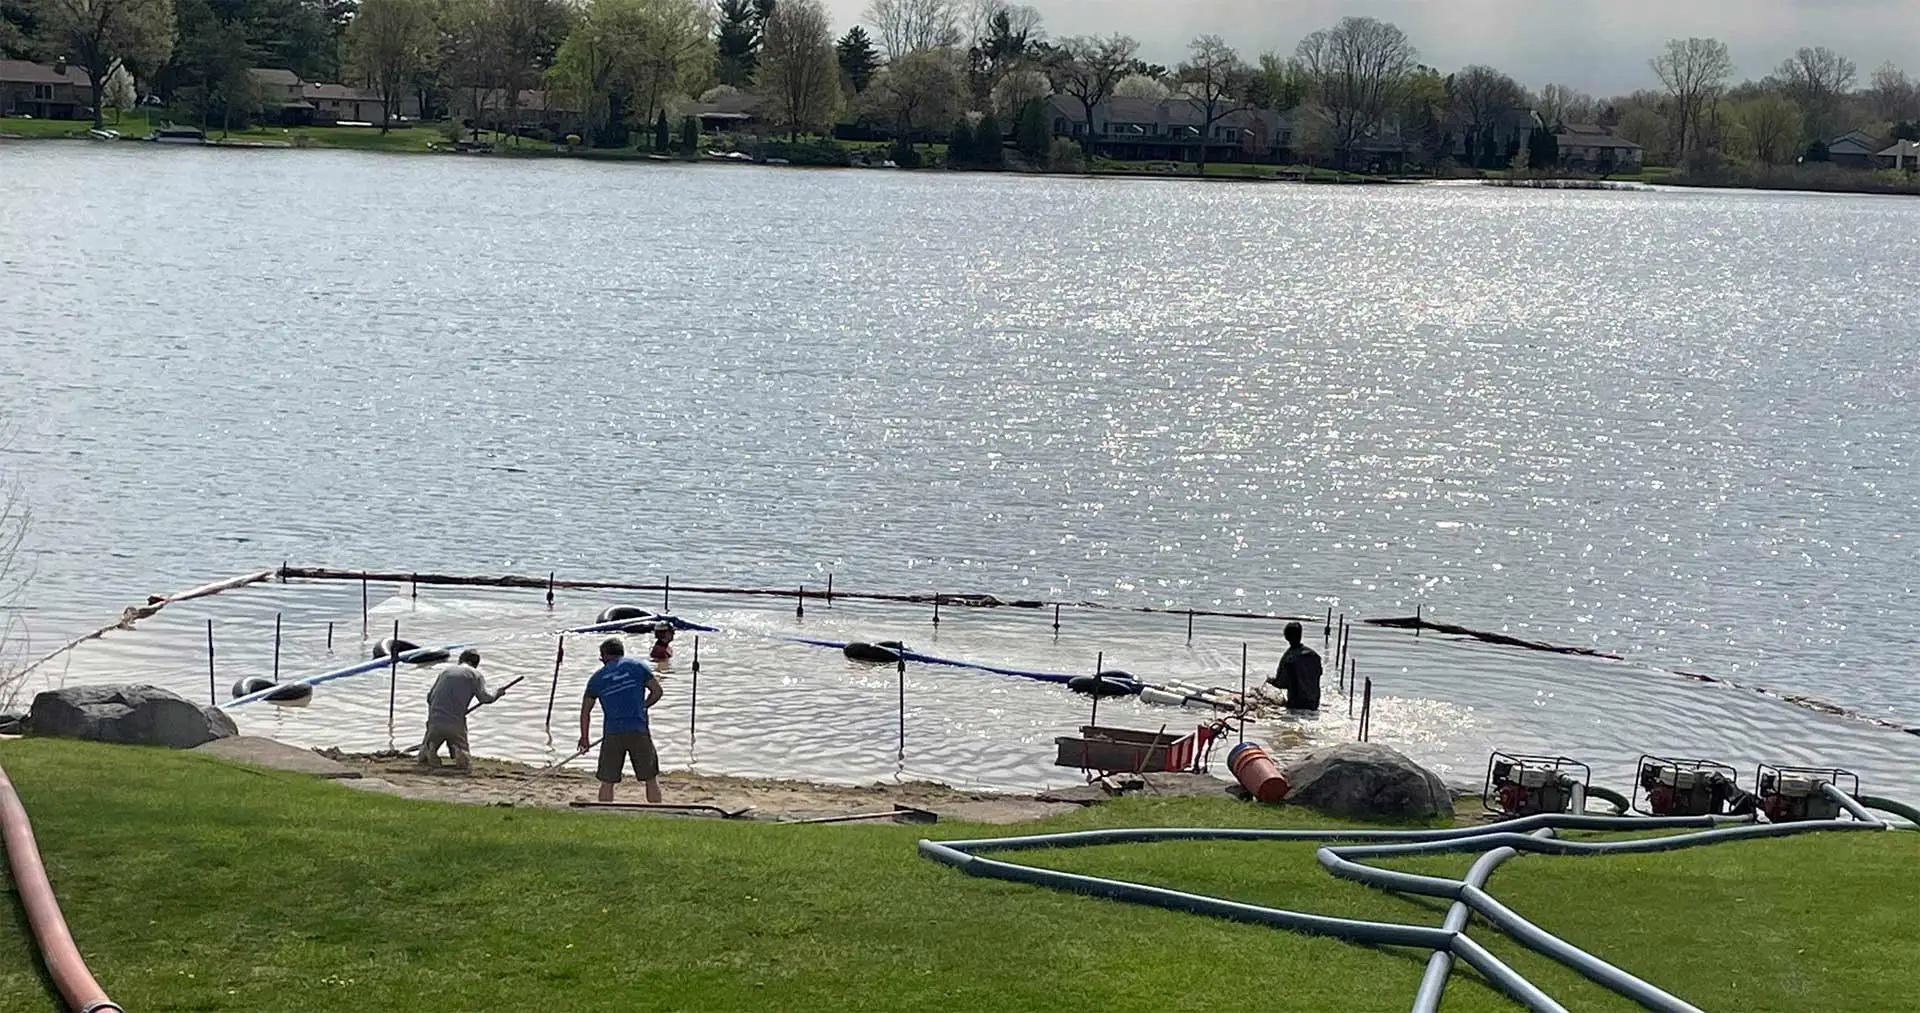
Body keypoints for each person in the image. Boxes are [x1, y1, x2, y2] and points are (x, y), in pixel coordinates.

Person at [580, 637, 665, 803]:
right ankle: (657, 809)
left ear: (604, 656)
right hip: (638, 729)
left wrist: (584, 737)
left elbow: (585, 711)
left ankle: (605, 811)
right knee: (650, 778)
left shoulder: (597, 678)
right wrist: (644, 706)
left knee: (607, 780)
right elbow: (657, 692)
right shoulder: (638, 667)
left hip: (612, 733)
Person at [419, 649, 500, 772]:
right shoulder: (476, 675)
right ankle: (458, 753)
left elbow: (429, 697)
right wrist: (497, 694)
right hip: (455, 722)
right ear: (476, 664)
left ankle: (430, 749)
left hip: (434, 720)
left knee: (427, 748)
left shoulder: (445, 672)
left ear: (460, 660)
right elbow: (485, 699)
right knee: (464, 761)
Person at [1267, 622, 1322, 711]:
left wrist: (1270, 681)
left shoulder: (1289, 658)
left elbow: (1281, 683)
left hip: (1296, 704)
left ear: (1286, 637)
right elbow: (1318, 674)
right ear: (1300, 635)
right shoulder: (1314, 655)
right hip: (1314, 703)